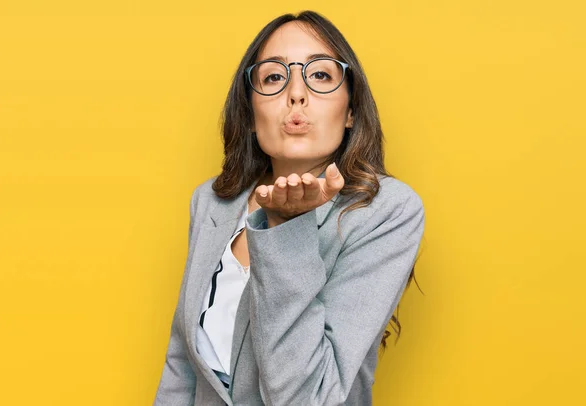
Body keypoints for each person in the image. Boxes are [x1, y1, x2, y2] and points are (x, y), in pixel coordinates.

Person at [154, 10, 425, 406]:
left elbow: (305, 397)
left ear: (351, 111)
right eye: (274, 77)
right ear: (249, 114)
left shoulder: (387, 211)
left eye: (319, 75)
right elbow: (182, 364)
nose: (296, 94)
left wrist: (286, 229)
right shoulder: (212, 201)